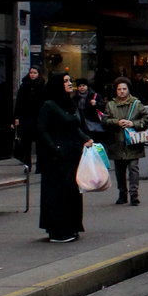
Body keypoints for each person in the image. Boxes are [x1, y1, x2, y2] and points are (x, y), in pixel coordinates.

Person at [36, 73, 93, 242]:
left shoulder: (69, 103)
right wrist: (56, 148)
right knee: (58, 194)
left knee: (72, 192)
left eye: (70, 80)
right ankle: (59, 230)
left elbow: (75, 127)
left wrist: (86, 139)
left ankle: (71, 226)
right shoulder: (49, 105)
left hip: (72, 155)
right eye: (66, 81)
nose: (70, 84)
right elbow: (42, 130)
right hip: (57, 159)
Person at [102, 77, 148, 206]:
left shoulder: (136, 103)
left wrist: (133, 123)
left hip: (133, 143)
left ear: (128, 89)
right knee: (119, 171)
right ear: (116, 91)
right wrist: (117, 122)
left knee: (133, 169)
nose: (122, 91)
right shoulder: (110, 105)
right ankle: (122, 194)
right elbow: (105, 121)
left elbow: (146, 119)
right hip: (117, 143)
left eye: (124, 89)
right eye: (119, 89)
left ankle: (134, 195)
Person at [12, 66, 46, 168]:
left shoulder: (42, 86)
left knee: (40, 142)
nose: (32, 75)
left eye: (35, 73)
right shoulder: (24, 86)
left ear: (39, 74)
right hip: (26, 117)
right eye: (31, 73)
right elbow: (19, 102)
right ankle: (27, 164)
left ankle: (40, 165)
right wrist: (16, 117)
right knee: (26, 142)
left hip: (38, 118)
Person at [74, 78, 106, 142]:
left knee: (96, 141)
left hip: (93, 123)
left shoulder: (94, 95)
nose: (81, 87)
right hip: (81, 124)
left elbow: (103, 106)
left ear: (87, 86)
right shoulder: (75, 97)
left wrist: (96, 103)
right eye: (79, 86)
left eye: (83, 85)